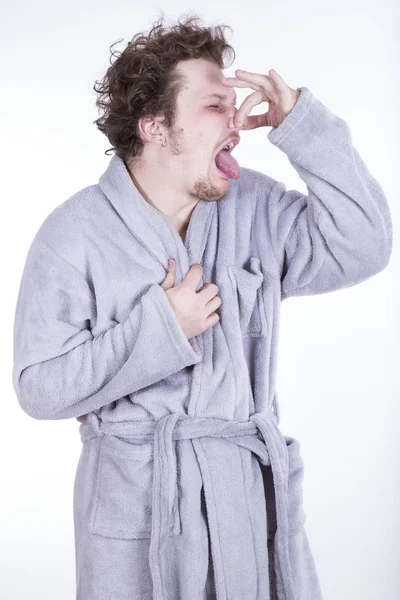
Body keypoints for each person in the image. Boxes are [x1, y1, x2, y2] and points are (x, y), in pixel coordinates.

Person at [12, 13, 393, 600]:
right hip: (139, 518)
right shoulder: (74, 235)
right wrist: (160, 330)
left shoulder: (254, 207)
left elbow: (364, 244)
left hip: (245, 507)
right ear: (156, 126)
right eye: (216, 105)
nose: (238, 121)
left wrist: (305, 127)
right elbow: (39, 387)